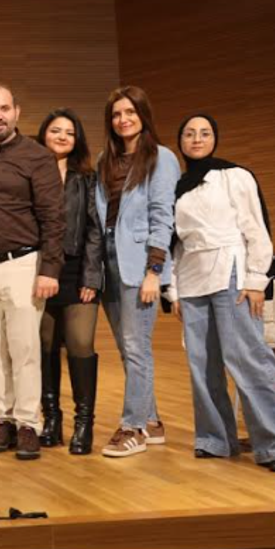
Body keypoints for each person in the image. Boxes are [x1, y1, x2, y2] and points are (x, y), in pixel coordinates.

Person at [168, 114, 275, 472]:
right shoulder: (177, 188)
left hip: (231, 271)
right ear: (180, 141)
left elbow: (256, 228)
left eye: (205, 133)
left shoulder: (234, 176)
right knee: (202, 365)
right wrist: (174, 291)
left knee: (247, 358)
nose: (197, 139)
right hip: (192, 278)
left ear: (215, 138)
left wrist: (256, 279)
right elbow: (175, 245)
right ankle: (215, 439)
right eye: (189, 134)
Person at [0, 84, 64, 461]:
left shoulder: (38, 156)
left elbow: (54, 217)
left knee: (24, 350)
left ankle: (27, 424)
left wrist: (49, 269)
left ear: (16, 111)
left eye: (4, 109)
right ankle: (3, 419)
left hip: (23, 265)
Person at [94, 86, 180, 458]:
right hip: (109, 262)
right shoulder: (105, 159)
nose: (123, 119)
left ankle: (133, 427)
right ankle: (153, 420)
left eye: (130, 112)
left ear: (143, 115)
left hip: (141, 262)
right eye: (116, 114)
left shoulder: (161, 157)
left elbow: (163, 218)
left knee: (136, 347)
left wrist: (154, 272)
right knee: (127, 348)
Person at [35, 109, 103, 454]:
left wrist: (91, 276)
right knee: (45, 345)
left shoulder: (87, 178)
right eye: (55, 130)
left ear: (77, 141)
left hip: (77, 271)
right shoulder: (30, 173)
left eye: (69, 133)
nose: (62, 136)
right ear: (43, 134)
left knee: (79, 343)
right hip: (40, 270)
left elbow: (94, 229)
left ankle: (83, 423)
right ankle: (51, 419)